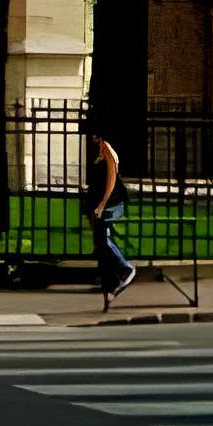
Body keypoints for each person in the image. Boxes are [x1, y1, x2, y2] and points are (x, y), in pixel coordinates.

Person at [84, 123, 136, 305]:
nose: (92, 139)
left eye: (95, 136)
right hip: (103, 204)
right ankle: (110, 280)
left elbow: (111, 182)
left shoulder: (108, 152)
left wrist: (101, 205)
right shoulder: (100, 151)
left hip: (112, 203)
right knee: (102, 240)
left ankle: (125, 268)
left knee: (104, 239)